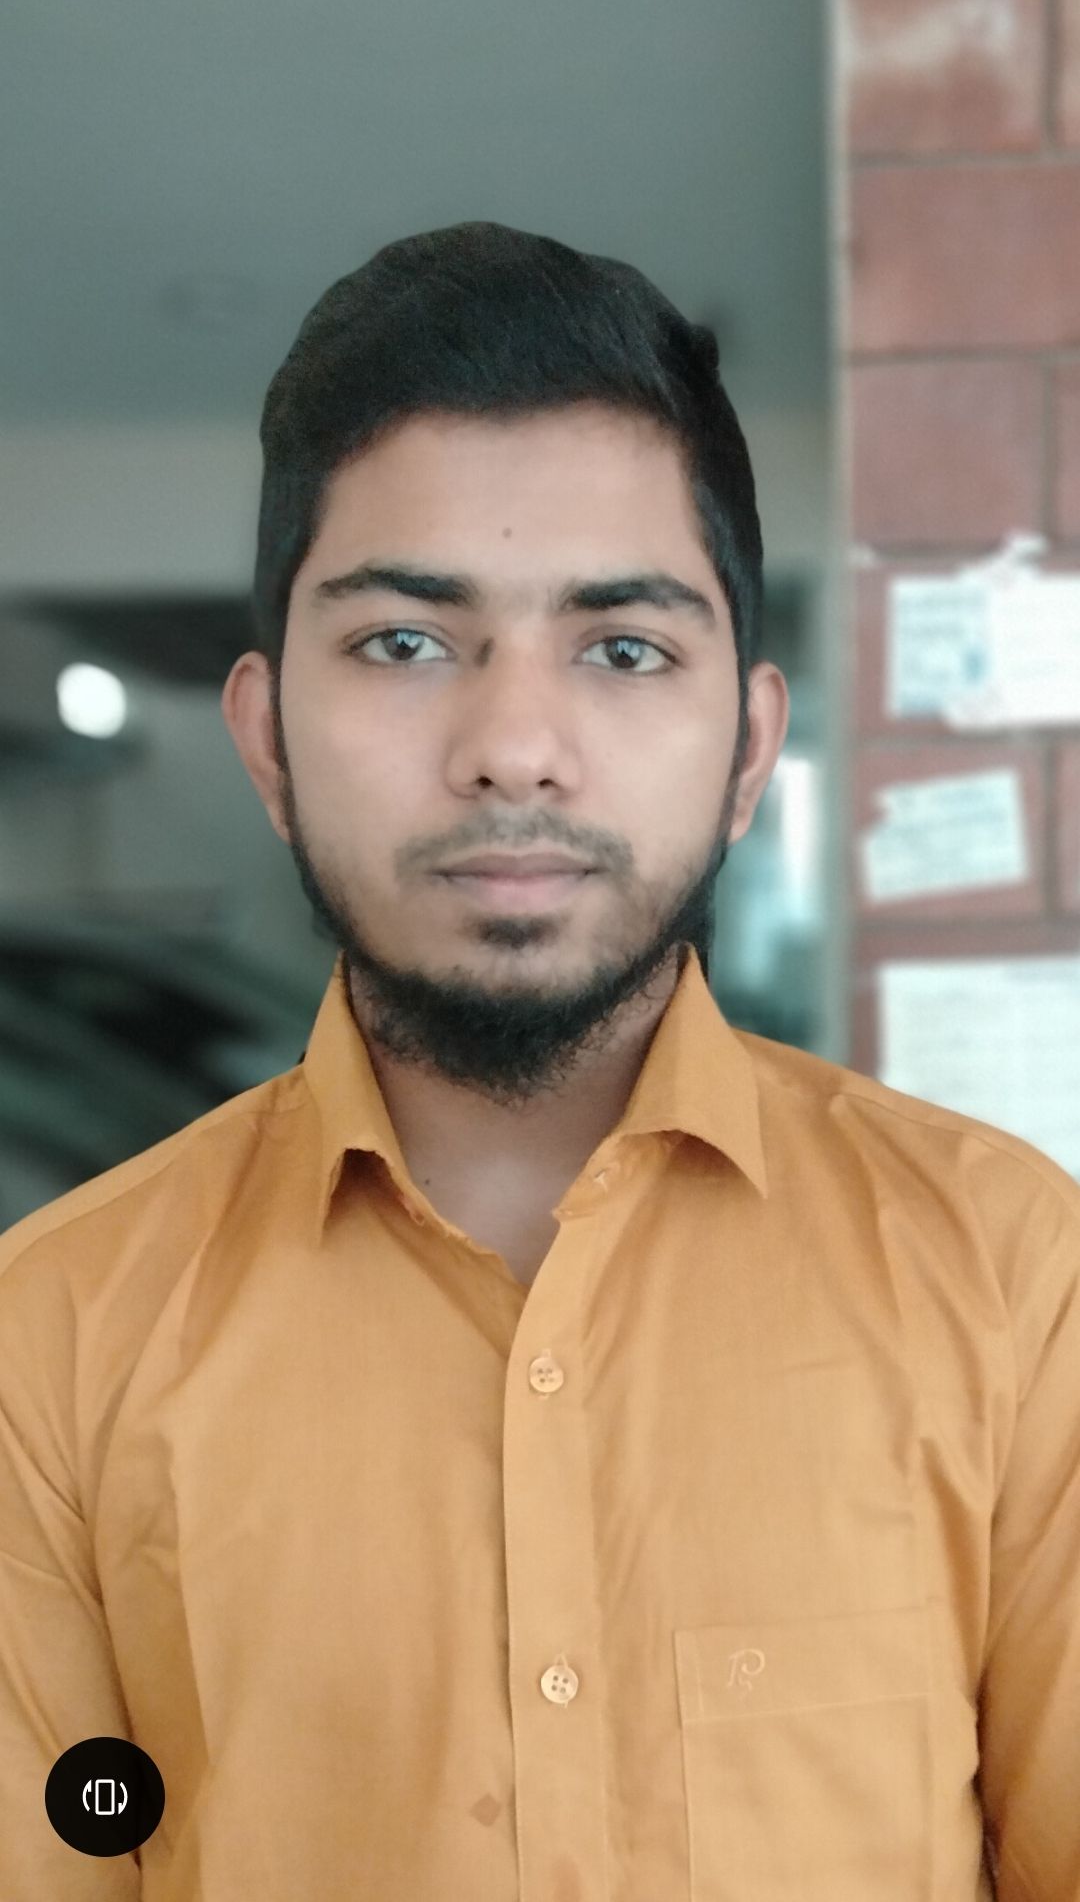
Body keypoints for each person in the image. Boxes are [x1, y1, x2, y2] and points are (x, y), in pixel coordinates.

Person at [0, 221, 1077, 1900]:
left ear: (751, 749)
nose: (514, 747)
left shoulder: (1014, 1280)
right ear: (267, 739)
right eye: (405, 641)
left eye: (624, 646)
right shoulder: (51, 1342)